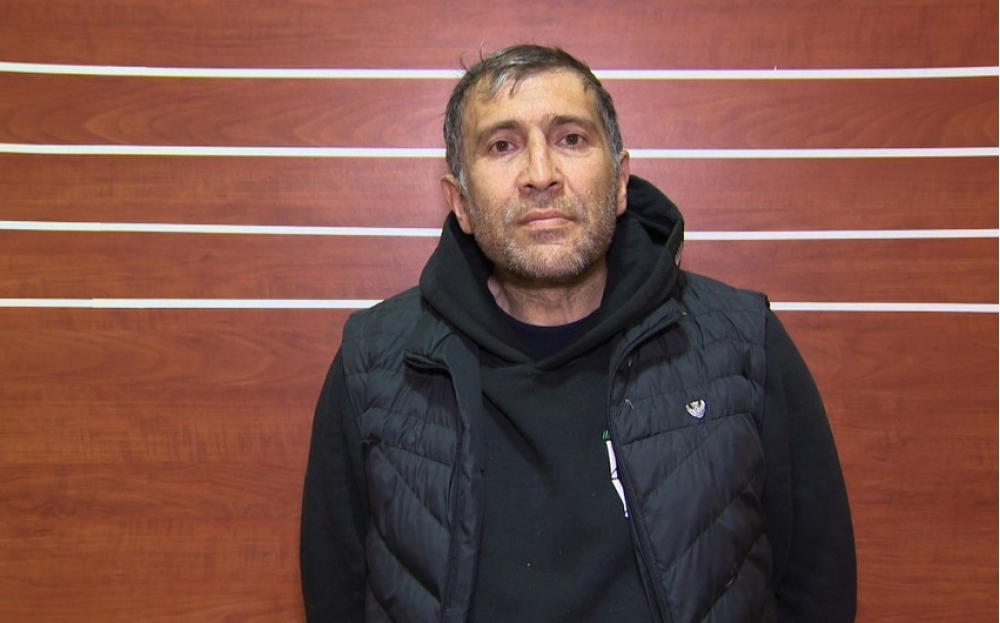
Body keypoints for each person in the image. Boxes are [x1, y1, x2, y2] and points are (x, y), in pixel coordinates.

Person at [300, 44, 856, 623]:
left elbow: (817, 587)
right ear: (459, 202)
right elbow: (336, 593)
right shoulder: (375, 365)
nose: (541, 175)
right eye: (502, 145)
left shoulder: (743, 345)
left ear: (619, 181)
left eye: (570, 138)